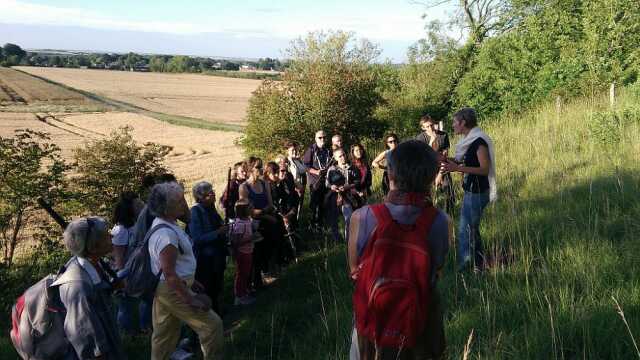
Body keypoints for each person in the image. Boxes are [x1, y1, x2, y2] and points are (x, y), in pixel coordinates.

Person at [348, 140, 450, 360]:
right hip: (421, 320)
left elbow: (355, 271)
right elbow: (437, 268)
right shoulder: (441, 221)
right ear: (432, 178)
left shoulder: (362, 217)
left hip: (371, 323)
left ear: (391, 174)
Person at [147, 182, 223, 360]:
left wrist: (190, 280)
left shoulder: (165, 224)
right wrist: (190, 299)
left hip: (168, 287)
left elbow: (174, 267)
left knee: (164, 335)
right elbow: (170, 274)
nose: (184, 203)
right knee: (212, 325)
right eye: (179, 201)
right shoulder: (166, 235)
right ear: (167, 208)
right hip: (172, 289)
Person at [57, 217, 126, 359]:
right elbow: (85, 339)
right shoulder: (78, 287)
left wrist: (110, 287)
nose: (111, 236)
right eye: (106, 235)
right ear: (93, 246)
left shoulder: (95, 263)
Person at [442, 107, 497, 272]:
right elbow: (464, 162)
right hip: (472, 190)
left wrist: (457, 169)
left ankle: (465, 266)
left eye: (454, 122)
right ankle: (479, 262)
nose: (452, 125)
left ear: (463, 123)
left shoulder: (478, 142)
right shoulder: (469, 142)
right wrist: (444, 159)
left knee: (465, 230)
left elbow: (484, 169)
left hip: (478, 191)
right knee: (472, 228)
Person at [111, 191, 150, 334]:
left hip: (138, 270)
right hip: (127, 273)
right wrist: (123, 281)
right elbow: (119, 258)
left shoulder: (135, 225)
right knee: (125, 306)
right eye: (137, 204)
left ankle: (144, 329)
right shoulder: (120, 231)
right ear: (130, 209)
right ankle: (128, 334)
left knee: (146, 298)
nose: (142, 205)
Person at [238, 157, 279, 289]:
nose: (261, 169)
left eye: (261, 166)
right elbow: (248, 211)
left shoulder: (264, 183)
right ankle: (258, 280)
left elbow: (271, 205)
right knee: (258, 253)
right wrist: (264, 212)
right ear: (250, 169)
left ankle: (268, 272)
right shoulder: (244, 187)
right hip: (254, 226)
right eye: (257, 167)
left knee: (270, 247)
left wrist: (262, 212)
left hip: (267, 221)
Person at [189, 181, 228, 315]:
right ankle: (210, 315)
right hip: (205, 259)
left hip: (218, 254)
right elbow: (197, 238)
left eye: (212, 191)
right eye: (210, 193)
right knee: (208, 287)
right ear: (201, 197)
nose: (213, 194)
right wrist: (218, 232)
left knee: (218, 285)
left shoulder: (212, 209)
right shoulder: (195, 212)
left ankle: (218, 311)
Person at [415, 114, 455, 213]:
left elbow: (444, 155)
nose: (430, 128)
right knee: (428, 194)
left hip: (442, 167)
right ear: (423, 127)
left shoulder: (443, 135)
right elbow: (423, 156)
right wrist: (431, 141)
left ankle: (449, 214)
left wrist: (440, 174)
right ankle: (429, 214)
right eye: (427, 126)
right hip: (427, 169)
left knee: (448, 191)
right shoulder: (420, 138)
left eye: (432, 125)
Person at [325, 148, 361, 243]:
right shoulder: (332, 169)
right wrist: (332, 186)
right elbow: (327, 183)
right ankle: (337, 241)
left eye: (344, 155)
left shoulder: (352, 168)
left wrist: (348, 186)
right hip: (334, 197)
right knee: (334, 220)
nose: (343, 157)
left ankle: (349, 240)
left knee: (348, 218)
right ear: (336, 158)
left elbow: (357, 182)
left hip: (347, 197)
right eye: (340, 156)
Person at [229, 200, 257, 306]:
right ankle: (239, 296)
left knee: (245, 274)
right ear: (244, 210)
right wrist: (251, 238)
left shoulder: (247, 221)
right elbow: (236, 242)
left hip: (247, 251)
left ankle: (243, 292)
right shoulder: (240, 225)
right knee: (242, 274)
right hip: (242, 253)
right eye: (250, 207)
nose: (252, 208)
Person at [303, 130, 332, 227]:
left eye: (324, 137)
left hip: (326, 181)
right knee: (314, 204)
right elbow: (305, 166)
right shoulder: (311, 150)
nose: (322, 139)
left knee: (323, 203)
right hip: (315, 182)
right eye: (320, 137)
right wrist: (316, 172)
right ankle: (312, 225)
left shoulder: (327, 150)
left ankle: (321, 224)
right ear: (316, 139)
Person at [285, 141, 307, 213]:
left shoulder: (299, 160)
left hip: (301, 190)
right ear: (287, 151)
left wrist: (302, 188)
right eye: (292, 150)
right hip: (291, 191)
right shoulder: (286, 162)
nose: (295, 151)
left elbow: (304, 172)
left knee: (299, 210)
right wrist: (295, 188)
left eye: (296, 150)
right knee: (292, 210)